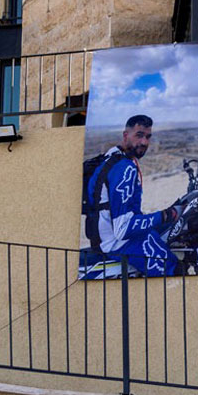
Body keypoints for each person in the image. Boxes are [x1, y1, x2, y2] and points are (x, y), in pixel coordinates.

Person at [80, 114, 178, 278]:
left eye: (148, 137)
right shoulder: (124, 168)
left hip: (103, 235)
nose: (144, 142)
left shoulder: (113, 156)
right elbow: (123, 228)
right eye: (139, 135)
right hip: (116, 242)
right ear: (126, 135)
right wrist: (165, 215)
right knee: (174, 268)